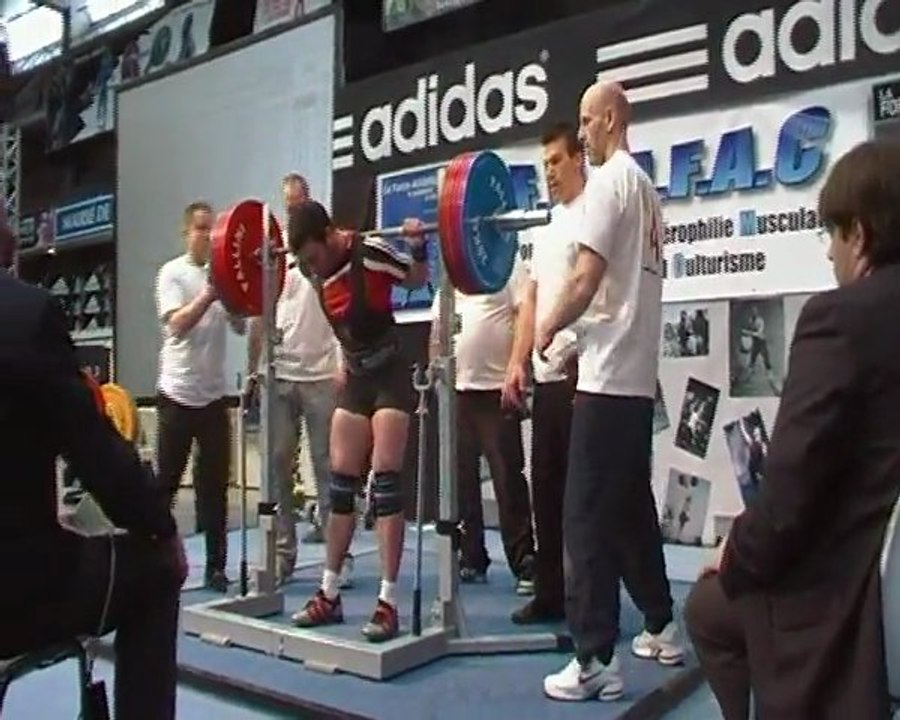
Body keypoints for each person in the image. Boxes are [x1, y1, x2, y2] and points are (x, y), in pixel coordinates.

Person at [685, 141, 900, 720]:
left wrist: (735, 555)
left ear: (858, 234)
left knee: (708, 607)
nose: (830, 256)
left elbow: (787, 499)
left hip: (848, 592)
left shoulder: (839, 320)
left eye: (830, 236)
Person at [536, 81, 682, 702]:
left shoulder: (608, 184)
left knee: (583, 520)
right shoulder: (647, 192)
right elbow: (623, 295)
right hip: (632, 380)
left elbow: (587, 279)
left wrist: (548, 324)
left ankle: (594, 658)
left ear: (613, 120)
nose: (584, 132)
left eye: (588, 121)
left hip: (605, 386)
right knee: (628, 511)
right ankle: (662, 624)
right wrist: (575, 341)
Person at [0, 269, 187, 720]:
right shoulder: (27, 314)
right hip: (15, 591)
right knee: (158, 573)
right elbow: (96, 456)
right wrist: (160, 526)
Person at [287, 200, 428, 642]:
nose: (312, 266)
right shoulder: (314, 271)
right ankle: (329, 594)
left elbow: (419, 279)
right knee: (341, 486)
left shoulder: (371, 252)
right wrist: (342, 359)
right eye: (305, 261)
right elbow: (339, 318)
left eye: (314, 255)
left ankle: (388, 603)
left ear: (329, 236)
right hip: (356, 375)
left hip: (390, 374)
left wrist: (418, 246)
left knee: (385, 486)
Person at [246, 174, 351, 587]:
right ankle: (280, 557)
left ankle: (336, 561)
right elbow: (258, 312)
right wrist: (255, 369)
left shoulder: (323, 252)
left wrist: (344, 361)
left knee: (329, 468)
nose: (293, 209)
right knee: (275, 470)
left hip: (322, 374)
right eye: (288, 204)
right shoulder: (273, 255)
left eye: (299, 202)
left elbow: (342, 305)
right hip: (280, 375)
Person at [502, 121, 584, 623]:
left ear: (579, 158)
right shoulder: (548, 227)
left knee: (586, 498)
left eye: (556, 161)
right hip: (547, 378)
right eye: (545, 164)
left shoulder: (594, 217)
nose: (549, 172)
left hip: (583, 375)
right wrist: (517, 360)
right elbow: (530, 298)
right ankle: (552, 594)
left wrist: (578, 346)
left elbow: (593, 289)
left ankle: (592, 603)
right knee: (546, 492)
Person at [430, 252, 536, 594]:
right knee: (461, 481)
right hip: (456, 392)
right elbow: (439, 327)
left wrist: (516, 368)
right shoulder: (453, 273)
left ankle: (525, 563)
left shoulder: (505, 263)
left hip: (496, 392)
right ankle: (471, 557)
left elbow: (524, 315)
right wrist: (435, 374)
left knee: (508, 478)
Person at [155, 200, 246, 592]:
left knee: (215, 489)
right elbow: (177, 324)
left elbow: (240, 327)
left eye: (212, 230)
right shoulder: (172, 273)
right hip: (177, 394)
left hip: (213, 397)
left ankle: (216, 568)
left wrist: (232, 296)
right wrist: (211, 293)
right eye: (200, 229)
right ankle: (152, 563)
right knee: (167, 487)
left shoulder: (220, 276)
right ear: (185, 232)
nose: (207, 236)